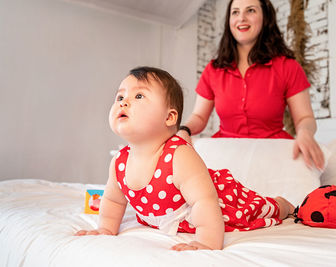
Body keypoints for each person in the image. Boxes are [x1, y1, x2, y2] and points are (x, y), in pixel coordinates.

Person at [76, 66, 294, 251]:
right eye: (120, 96)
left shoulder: (179, 155)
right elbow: (114, 201)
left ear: (170, 117)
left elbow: (204, 201)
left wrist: (207, 242)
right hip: (176, 218)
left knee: (260, 209)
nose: (123, 102)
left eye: (139, 96)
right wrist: (105, 228)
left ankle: (284, 204)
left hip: (223, 205)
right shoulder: (119, 162)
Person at [177, 0, 325, 170]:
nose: (241, 18)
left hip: (273, 154)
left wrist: (305, 133)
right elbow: (199, 117)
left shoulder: (288, 66)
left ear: (265, 17)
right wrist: (184, 129)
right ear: (229, 21)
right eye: (235, 12)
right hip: (226, 152)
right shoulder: (213, 69)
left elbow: (304, 118)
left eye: (251, 11)